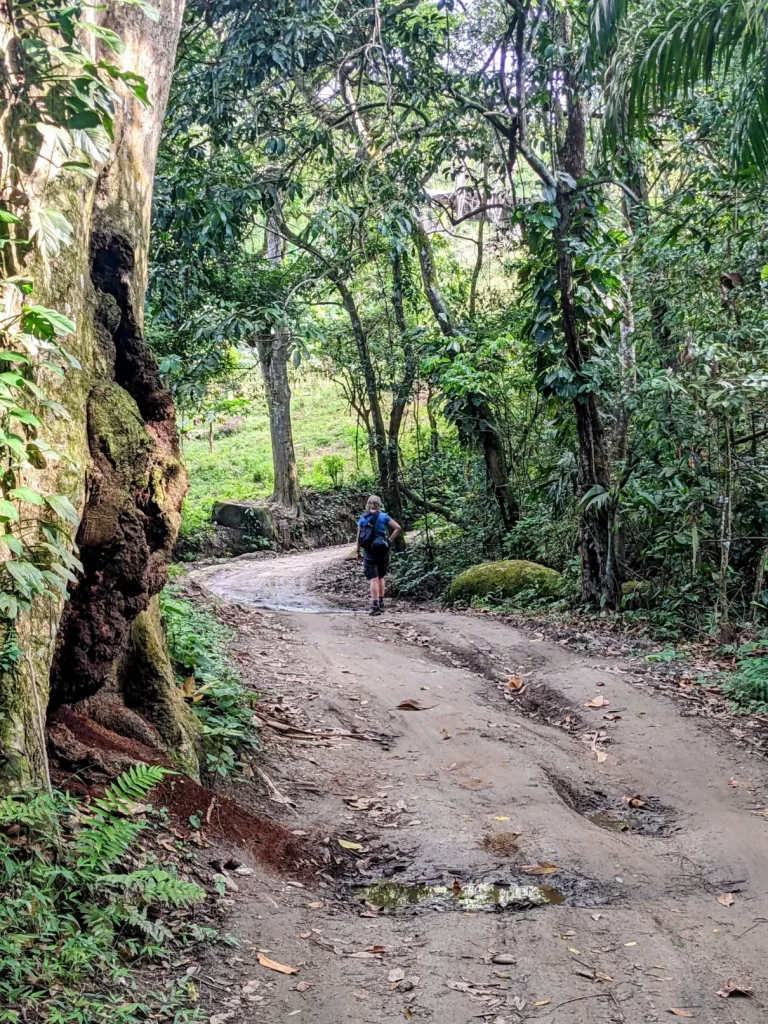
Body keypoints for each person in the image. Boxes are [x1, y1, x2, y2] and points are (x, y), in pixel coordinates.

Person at [356, 495, 401, 616]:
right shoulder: (384, 516)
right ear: (379, 504)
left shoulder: (363, 518)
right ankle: (381, 603)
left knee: (373, 579)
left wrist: (358, 551)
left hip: (370, 551)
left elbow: (359, 536)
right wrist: (389, 541)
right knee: (381, 577)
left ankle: (374, 606)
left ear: (368, 504)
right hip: (382, 550)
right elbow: (397, 527)